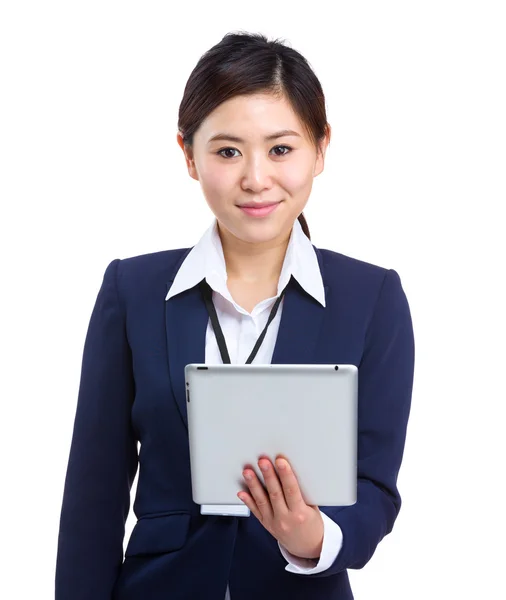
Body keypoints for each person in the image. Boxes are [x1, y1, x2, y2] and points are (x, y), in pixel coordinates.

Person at [55, 31, 415, 600]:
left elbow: (375, 485)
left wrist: (312, 534)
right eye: (227, 151)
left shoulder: (371, 297)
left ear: (321, 149)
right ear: (188, 155)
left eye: (280, 149)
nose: (255, 178)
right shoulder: (134, 290)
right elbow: (93, 497)